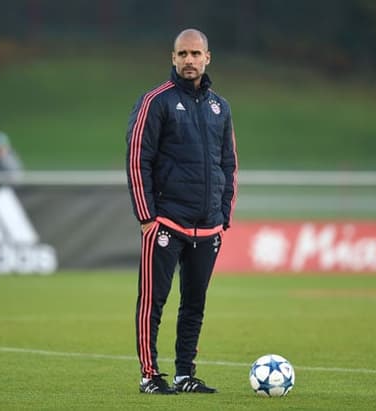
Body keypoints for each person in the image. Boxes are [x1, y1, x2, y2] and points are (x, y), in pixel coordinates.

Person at [125, 28, 238, 395]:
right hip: (166, 222)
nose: (189, 60)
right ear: (173, 58)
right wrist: (146, 216)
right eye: (182, 54)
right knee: (153, 301)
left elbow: (229, 164)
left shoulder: (220, 107)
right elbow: (137, 159)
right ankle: (149, 375)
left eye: (196, 53)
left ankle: (185, 374)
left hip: (207, 227)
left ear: (208, 58)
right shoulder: (155, 102)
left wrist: (223, 215)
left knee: (194, 305)